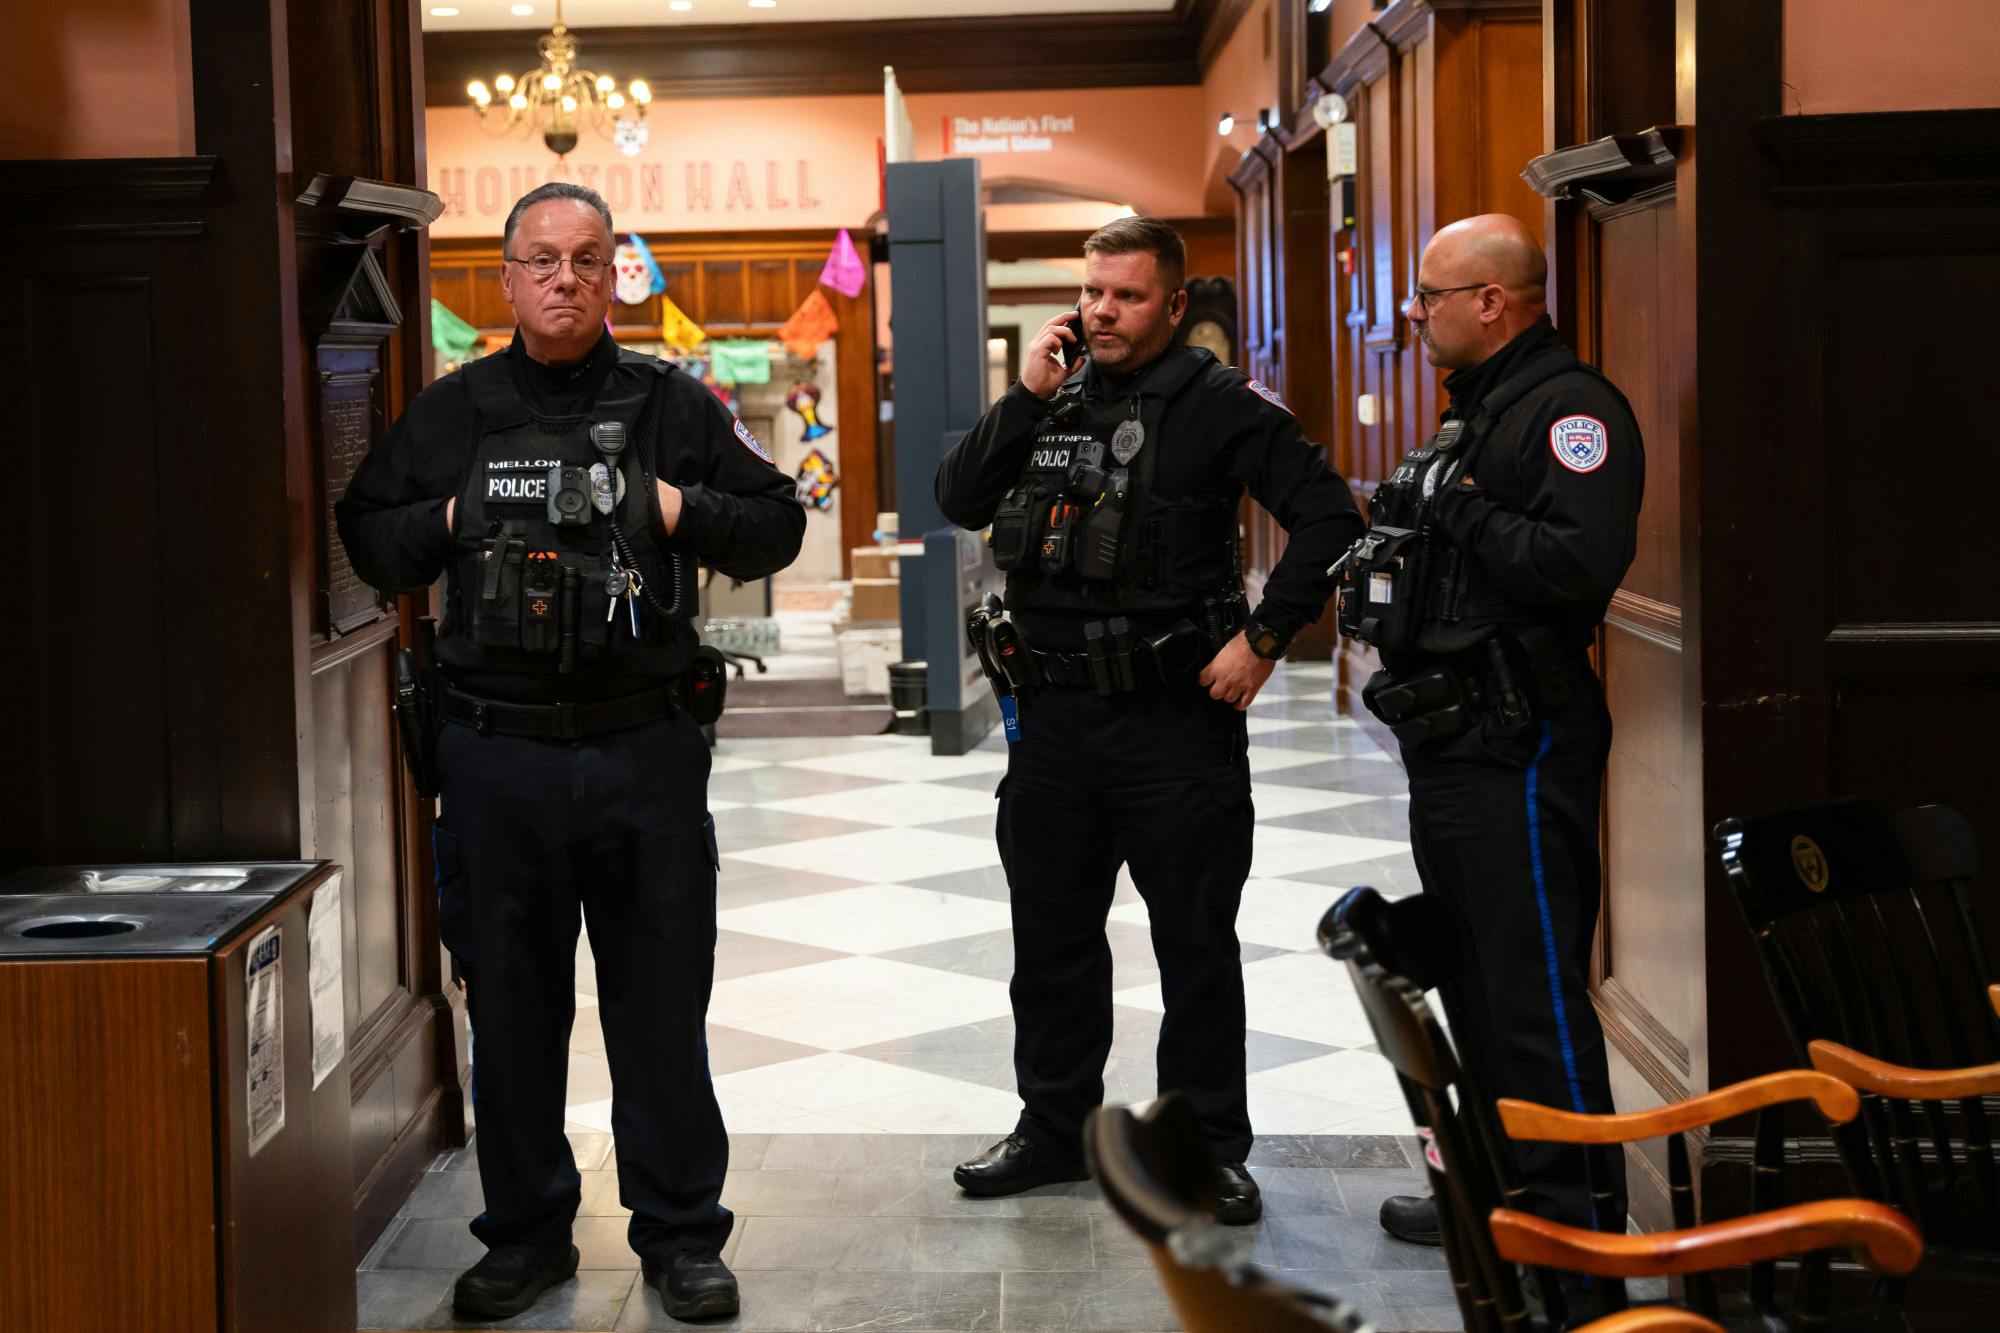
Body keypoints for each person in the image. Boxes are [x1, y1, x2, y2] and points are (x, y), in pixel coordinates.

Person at [336, 182, 803, 1323]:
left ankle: (682, 1234)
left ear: (613, 278)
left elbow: (777, 520)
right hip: (495, 756)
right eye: (541, 260)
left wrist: (672, 508)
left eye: (587, 260)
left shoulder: (672, 404)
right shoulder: (456, 409)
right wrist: (451, 523)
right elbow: (364, 535)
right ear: (504, 279)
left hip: (643, 749)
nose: (564, 279)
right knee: (512, 1007)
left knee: (657, 1005)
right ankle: (529, 1233)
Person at [934, 217, 1365, 1225]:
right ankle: (1053, 1129)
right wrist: (1026, 394)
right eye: (1091, 292)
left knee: (1194, 947)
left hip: (1175, 723)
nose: (1100, 311)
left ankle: (1207, 1143)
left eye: (1125, 296)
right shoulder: (1053, 395)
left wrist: (1262, 639)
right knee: (1050, 945)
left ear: (1174, 306)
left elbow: (1330, 515)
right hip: (1052, 724)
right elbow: (958, 497)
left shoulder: (1219, 404)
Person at [1339, 214, 1643, 1308]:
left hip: (1517, 741)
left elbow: (1576, 566)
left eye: (1427, 296)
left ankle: (1572, 1226)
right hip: (1451, 738)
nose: (1412, 314)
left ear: (1491, 301)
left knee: (1528, 989)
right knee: (1469, 972)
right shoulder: (1477, 413)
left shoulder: (1569, 412)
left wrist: (1458, 514)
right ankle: (1501, 1184)